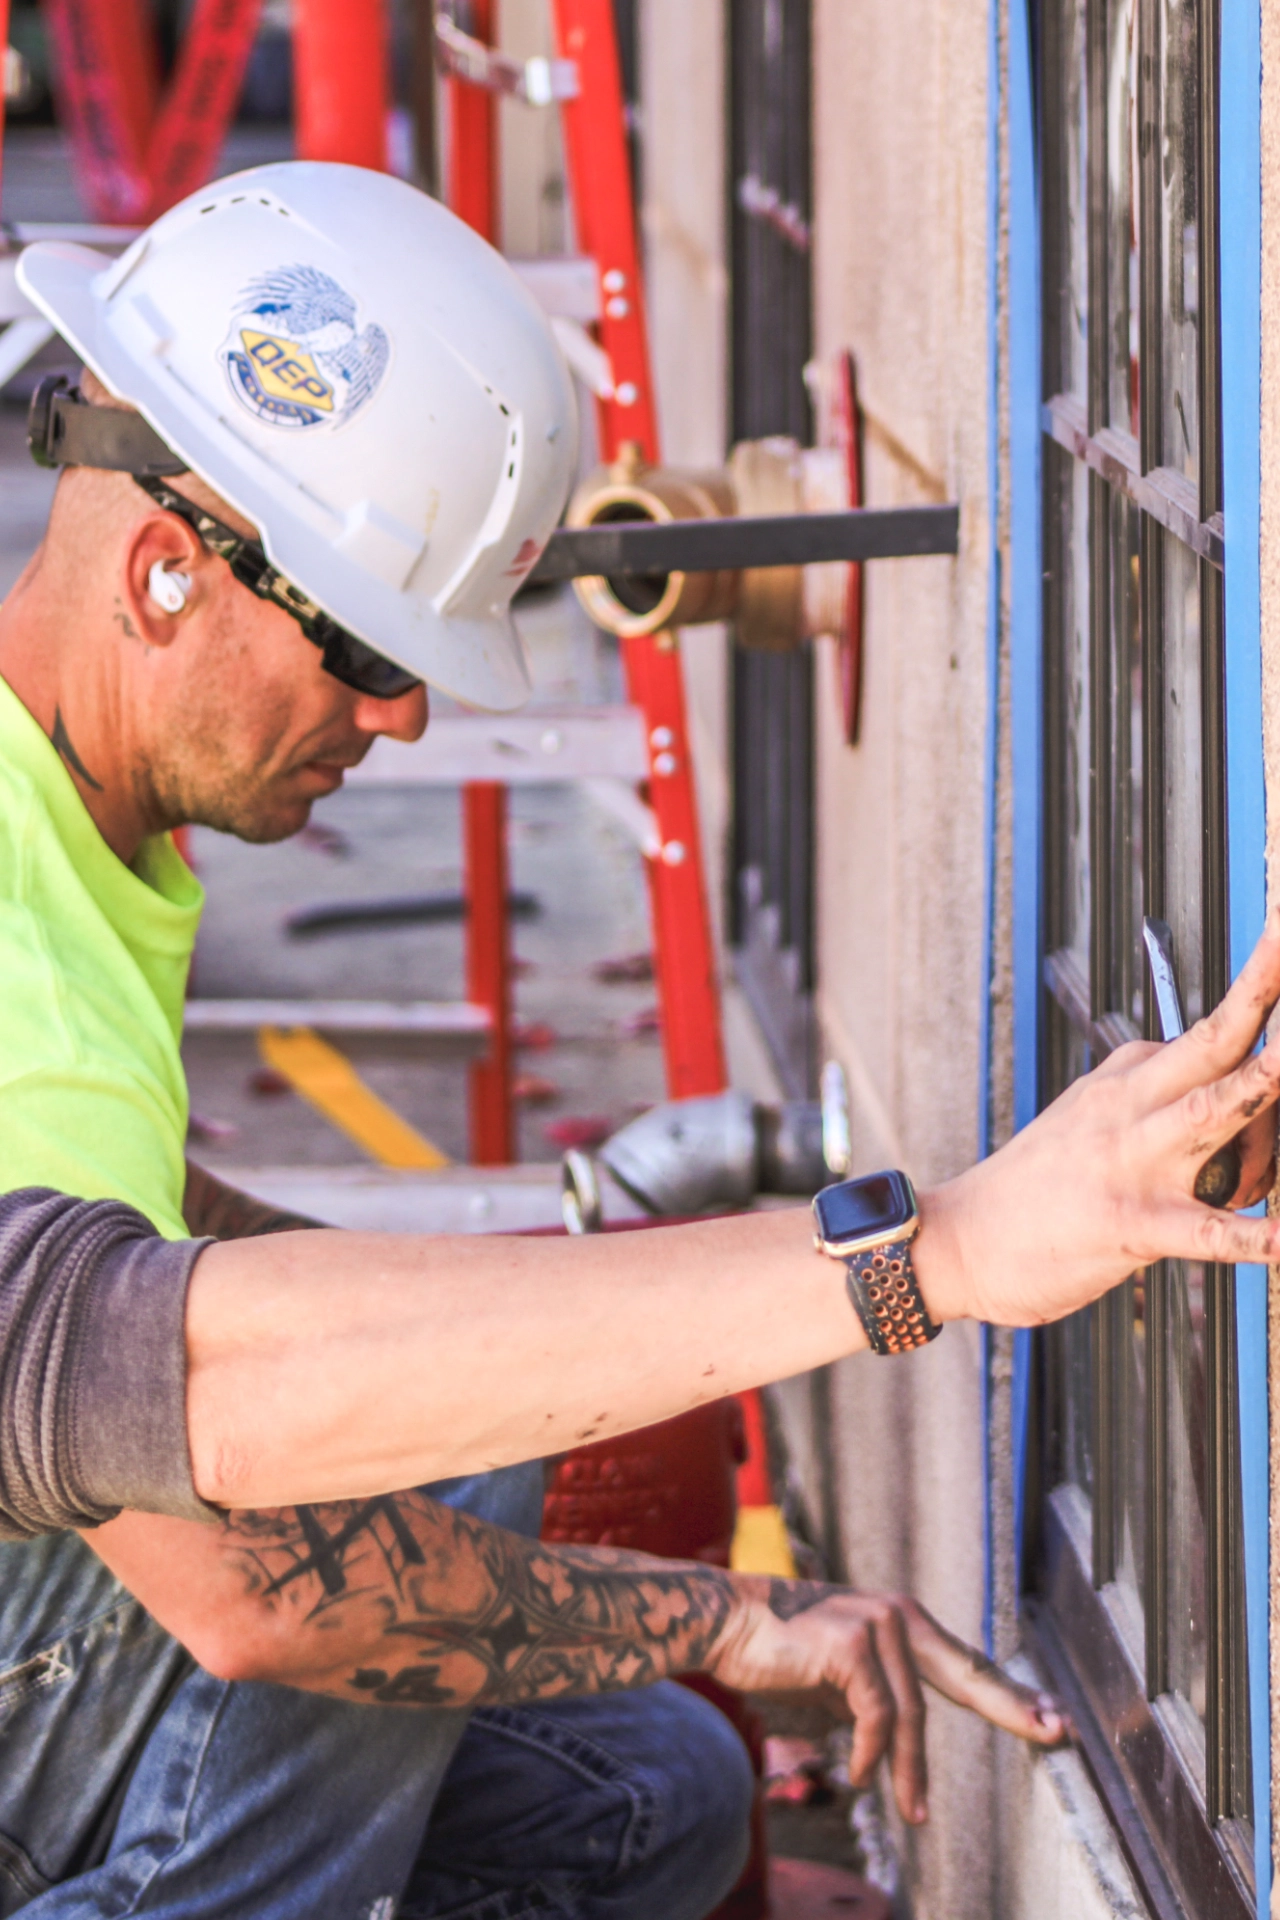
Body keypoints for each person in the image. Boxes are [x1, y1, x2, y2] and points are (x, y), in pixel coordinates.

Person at [0, 159, 1274, 1920]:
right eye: (370, 646)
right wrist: (943, 1256)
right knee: (385, 1429)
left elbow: (204, 1252)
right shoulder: (21, 971)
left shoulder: (66, 834)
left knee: (650, 1793)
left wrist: (723, 1616)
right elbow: (240, 1562)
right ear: (163, 572)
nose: (405, 708)